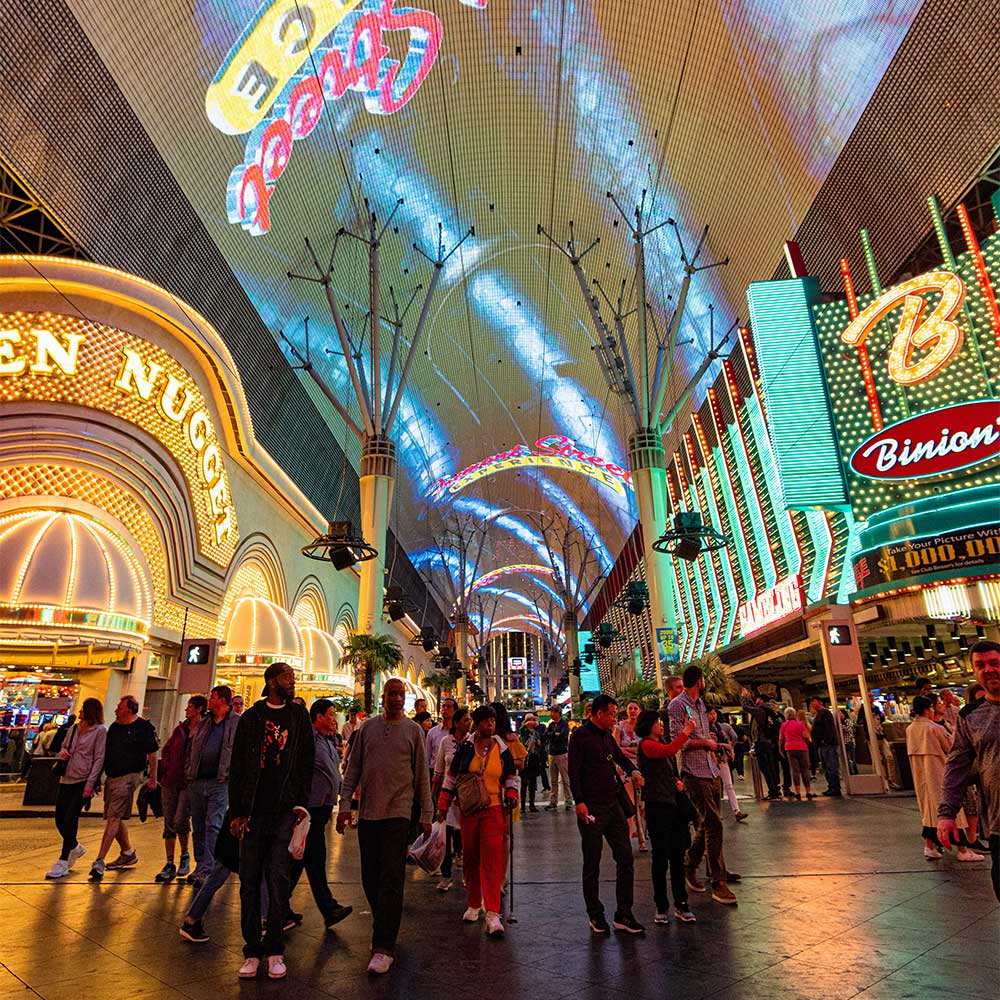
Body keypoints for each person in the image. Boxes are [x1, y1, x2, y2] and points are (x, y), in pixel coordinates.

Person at [337, 677, 433, 975]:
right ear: (383, 696)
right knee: (370, 877)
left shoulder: (414, 732)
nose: (395, 698)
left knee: (391, 878)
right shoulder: (368, 729)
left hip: (398, 815)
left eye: (399, 694)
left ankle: (383, 946)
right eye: (391, 693)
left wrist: (427, 813)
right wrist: (344, 807)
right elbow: (353, 768)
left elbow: (421, 777)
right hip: (368, 815)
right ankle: (383, 924)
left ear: (404, 698)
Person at [228, 662, 314, 980]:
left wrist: (301, 806)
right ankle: (252, 950)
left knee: (278, 879)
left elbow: (306, 761)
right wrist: (237, 812)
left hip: (283, 812)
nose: (292, 682)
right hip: (253, 812)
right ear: (271, 681)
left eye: (292, 677)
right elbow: (237, 766)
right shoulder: (252, 718)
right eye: (286, 677)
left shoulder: (298, 716)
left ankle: (275, 948)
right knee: (249, 882)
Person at [438, 704, 520, 938]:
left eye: (492, 721)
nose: (490, 725)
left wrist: (511, 794)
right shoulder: (464, 748)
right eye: (485, 721)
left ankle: (493, 912)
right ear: (477, 723)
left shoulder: (501, 748)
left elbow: (511, 776)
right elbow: (451, 778)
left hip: (494, 809)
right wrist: (443, 805)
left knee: (492, 858)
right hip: (470, 810)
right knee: (472, 857)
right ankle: (474, 904)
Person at [568, 693, 646, 935]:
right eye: (611, 714)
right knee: (592, 861)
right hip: (591, 807)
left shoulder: (607, 736)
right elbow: (574, 771)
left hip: (613, 805)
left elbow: (621, 758)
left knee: (625, 857)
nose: (615, 718)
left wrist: (633, 771)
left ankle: (624, 912)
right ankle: (595, 913)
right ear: (599, 713)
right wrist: (579, 801)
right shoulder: (580, 736)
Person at [670, 666, 737, 905]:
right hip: (694, 773)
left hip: (711, 769)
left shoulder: (700, 705)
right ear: (699, 681)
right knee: (714, 824)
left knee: (709, 824)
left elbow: (704, 737)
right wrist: (706, 743)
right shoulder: (677, 705)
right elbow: (681, 741)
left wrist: (716, 746)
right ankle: (719, 882)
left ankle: (690, 864)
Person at [284, 699, 353, 931]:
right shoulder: (309, 741)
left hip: (321, 809)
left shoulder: (327, 741)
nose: (334, 719)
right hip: (310, 810)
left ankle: (279, 907)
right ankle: (328, 908)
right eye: (331, 714)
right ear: (319, 717)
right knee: (313, 859)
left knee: (303, 861)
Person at [939, 640, 1000, 900]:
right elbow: (957, 765)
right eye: (980, 665)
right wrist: (946, 813)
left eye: (994, 663)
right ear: (974, 671)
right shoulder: (970, 715)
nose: (988, 669)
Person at [636, 708, 697, 924]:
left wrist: (677, 782)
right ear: (648, 724)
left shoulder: (660, 744)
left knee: (677, 856)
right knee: (661, 858)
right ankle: (661, 905)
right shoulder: (646, 745)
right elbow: (669, 751)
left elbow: (668, 765)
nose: (661, 725)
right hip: (657, 806)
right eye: (658, 722)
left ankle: (681, 903)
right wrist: (686, 732)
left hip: (672, 804)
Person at [89, 695, 158, 880]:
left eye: (120, 707)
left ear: (129, 709)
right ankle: (127, 852)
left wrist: (153, 778)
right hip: (112, 776)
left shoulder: (143, 727)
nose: (116, 710)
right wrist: (96, 778)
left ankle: (99, 860)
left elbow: (152, 754)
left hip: (129, 776)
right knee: (115, 817)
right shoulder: (115, 727)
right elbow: (105, 753)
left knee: (113, 816)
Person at [906, 695, 981, 863]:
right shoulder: (934, 728)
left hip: (920, 777)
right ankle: (963, 849)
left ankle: (930, 846)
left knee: (928, 811)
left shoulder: (910, 729)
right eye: (933, 707)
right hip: (939, 773)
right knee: (951, 810)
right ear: (927, 709)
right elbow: (952, 748)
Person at [185, 685, 240, 886]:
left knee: (213, 825)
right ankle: (201, 865)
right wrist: (190, 771)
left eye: (213, 697)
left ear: (223, 700)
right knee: (198, 825)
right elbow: (193, 748)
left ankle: (210, 868)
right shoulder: (205, 722)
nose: (210, 699)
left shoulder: (236, 723)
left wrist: (229, 775)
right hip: (198, 781)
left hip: (220, 782)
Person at [45, 698, 106, 880]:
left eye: (82, 710)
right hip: (67, 778)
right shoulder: (74, 729)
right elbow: (63, 746)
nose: (79, 713)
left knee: (71, 818)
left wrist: (90, 783)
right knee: (60, 818)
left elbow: (99, 758)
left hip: (83, 779)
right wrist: (62, 753)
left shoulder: (100, 731)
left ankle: (63, 860)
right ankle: (75, 846)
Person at [155, 695, 206, 883]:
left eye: (190, 707)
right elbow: (167, 750)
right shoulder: (180, 730)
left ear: (199, 709)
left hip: (188, 783)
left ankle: (184, 854)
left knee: (180, 819)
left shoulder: (204, 730)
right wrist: (167, 769)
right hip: (171, 781)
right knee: (169, 820)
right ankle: (170, 861)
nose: (187, 710)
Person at [433, 707, 471, 891]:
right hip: (448, 795)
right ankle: (446, 875)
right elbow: (439, 770)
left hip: (468, 797)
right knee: (445, 838)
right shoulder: (445, 742)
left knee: (465, 837)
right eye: (465, 720)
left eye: (469, 720)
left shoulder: (473, 741)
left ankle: (467, 874)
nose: (469, 723)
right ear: (456, 723)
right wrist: (434, 797)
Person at [615, 700, 648, 850]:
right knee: (630, 804)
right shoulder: (619, 727)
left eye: (635, 708)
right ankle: (628, 837)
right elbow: (616, 748)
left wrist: (627, 750)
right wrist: (630, 752)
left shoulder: (644, 727)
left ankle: (642, 838)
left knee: (642, 804)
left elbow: (645, 748)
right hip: (626, 768)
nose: (633, 710)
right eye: (630, 708)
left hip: (642, 767)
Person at [741, 689, 782, 800]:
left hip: (761, 743)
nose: (756, 701)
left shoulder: (760, 711)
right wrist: (749, 698)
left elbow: (746, 708)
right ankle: (776, 790)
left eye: (757, 699)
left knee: (765, 768)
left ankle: (772, 791)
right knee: (771, 767)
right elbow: (753, 707)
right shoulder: (768, 710)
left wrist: (743, 697)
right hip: (769, 743)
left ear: (761, 700)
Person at [809, 697, 842, 798]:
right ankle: (831, 786)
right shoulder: (819, 714)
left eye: (813, 702)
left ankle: (835, 788)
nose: (812, 704)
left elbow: (829, 728)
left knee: (831, 766)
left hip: (828, 745)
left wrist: (826, 740)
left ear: (819, 702)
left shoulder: (825, 713)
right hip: (823, 745)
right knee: (827, 767)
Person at [778, 707, 813, 800]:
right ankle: (808, 791)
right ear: (794, 714)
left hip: (790, 748)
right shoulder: (800, 724)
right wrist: (805, 742)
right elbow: (806, 736)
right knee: (805, 770)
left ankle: (797, 792)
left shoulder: (784, 725)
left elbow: (781, 739)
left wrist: (780, 749)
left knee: (795, 771)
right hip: (802, 748)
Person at [544, 706, 572, 810]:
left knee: (565, 779)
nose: (551, 714)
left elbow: (563, 735)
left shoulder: (564, 723)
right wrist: (554, 734)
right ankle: (553, 801)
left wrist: (554, 735)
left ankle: (568, 801)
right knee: (553, 780)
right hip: (552, 754)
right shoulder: (551, 724)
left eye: (552, 712)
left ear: (558, 713)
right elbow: (545, 735)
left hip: (561, 754)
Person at [426, 697, 457, 780]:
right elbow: (427, 756)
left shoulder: (458, 733)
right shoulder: (432, 732)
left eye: (449, 706)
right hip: (434, 774)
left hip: (452, 775)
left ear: (455, 711)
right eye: (443, 706)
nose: (445, 708)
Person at [519, 714, 544, 812]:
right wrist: (525, 725)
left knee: (532, 783)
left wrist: (538, 744)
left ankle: (532, 805)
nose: (533, 722)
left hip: (534, 759)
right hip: (525, 759)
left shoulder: (536, 732)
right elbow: (521, 732)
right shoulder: (524, 731)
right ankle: (523, 806)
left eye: (534, 720)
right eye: (531, 720)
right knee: (524, 783)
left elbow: (540, 744)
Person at [840, 709, 859, 775]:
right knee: (847, 759)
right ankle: (849, 771)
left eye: (840, 713)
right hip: (844, 743)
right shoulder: (841, 722)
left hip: (849, 742)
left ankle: (855, 771)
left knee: (852, 758)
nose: (839, 715)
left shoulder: (847, 721)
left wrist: (840, 726)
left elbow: (847, 728)